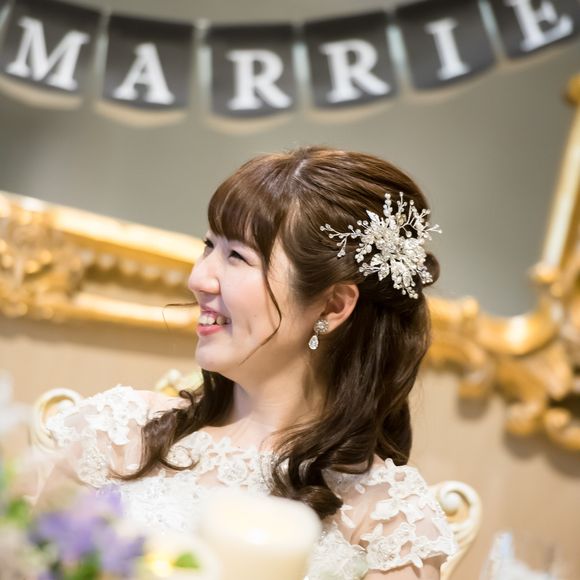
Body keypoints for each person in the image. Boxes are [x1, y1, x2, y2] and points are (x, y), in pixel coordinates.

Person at [45, 146, 458, 579]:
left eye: (237, 256)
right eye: (209, 246)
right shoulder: (115, 433)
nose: (198, 279)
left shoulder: (389, 520)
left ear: (332, 305)